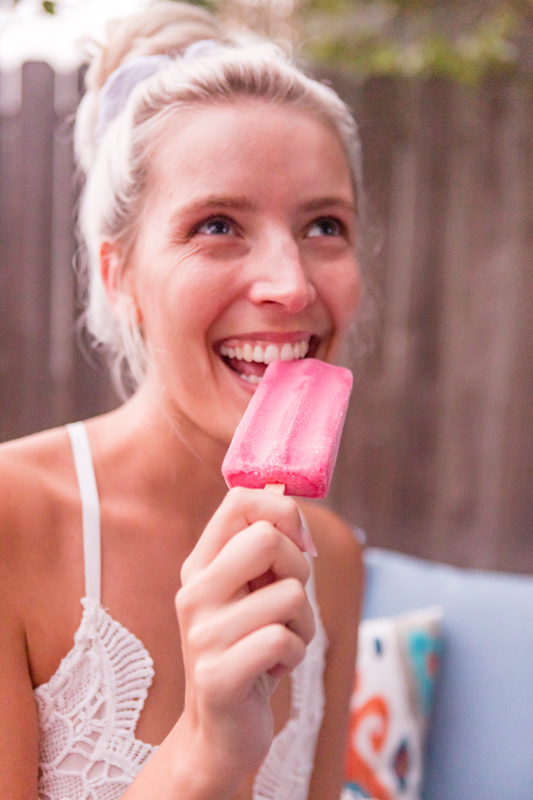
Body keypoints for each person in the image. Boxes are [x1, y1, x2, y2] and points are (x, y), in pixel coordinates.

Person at [0, 2, 364, 798]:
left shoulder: (329, 559)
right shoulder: (10, 521)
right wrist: (206, 746)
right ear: (118, 276)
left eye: (323, 225)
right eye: (217, 224)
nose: (291, 284)